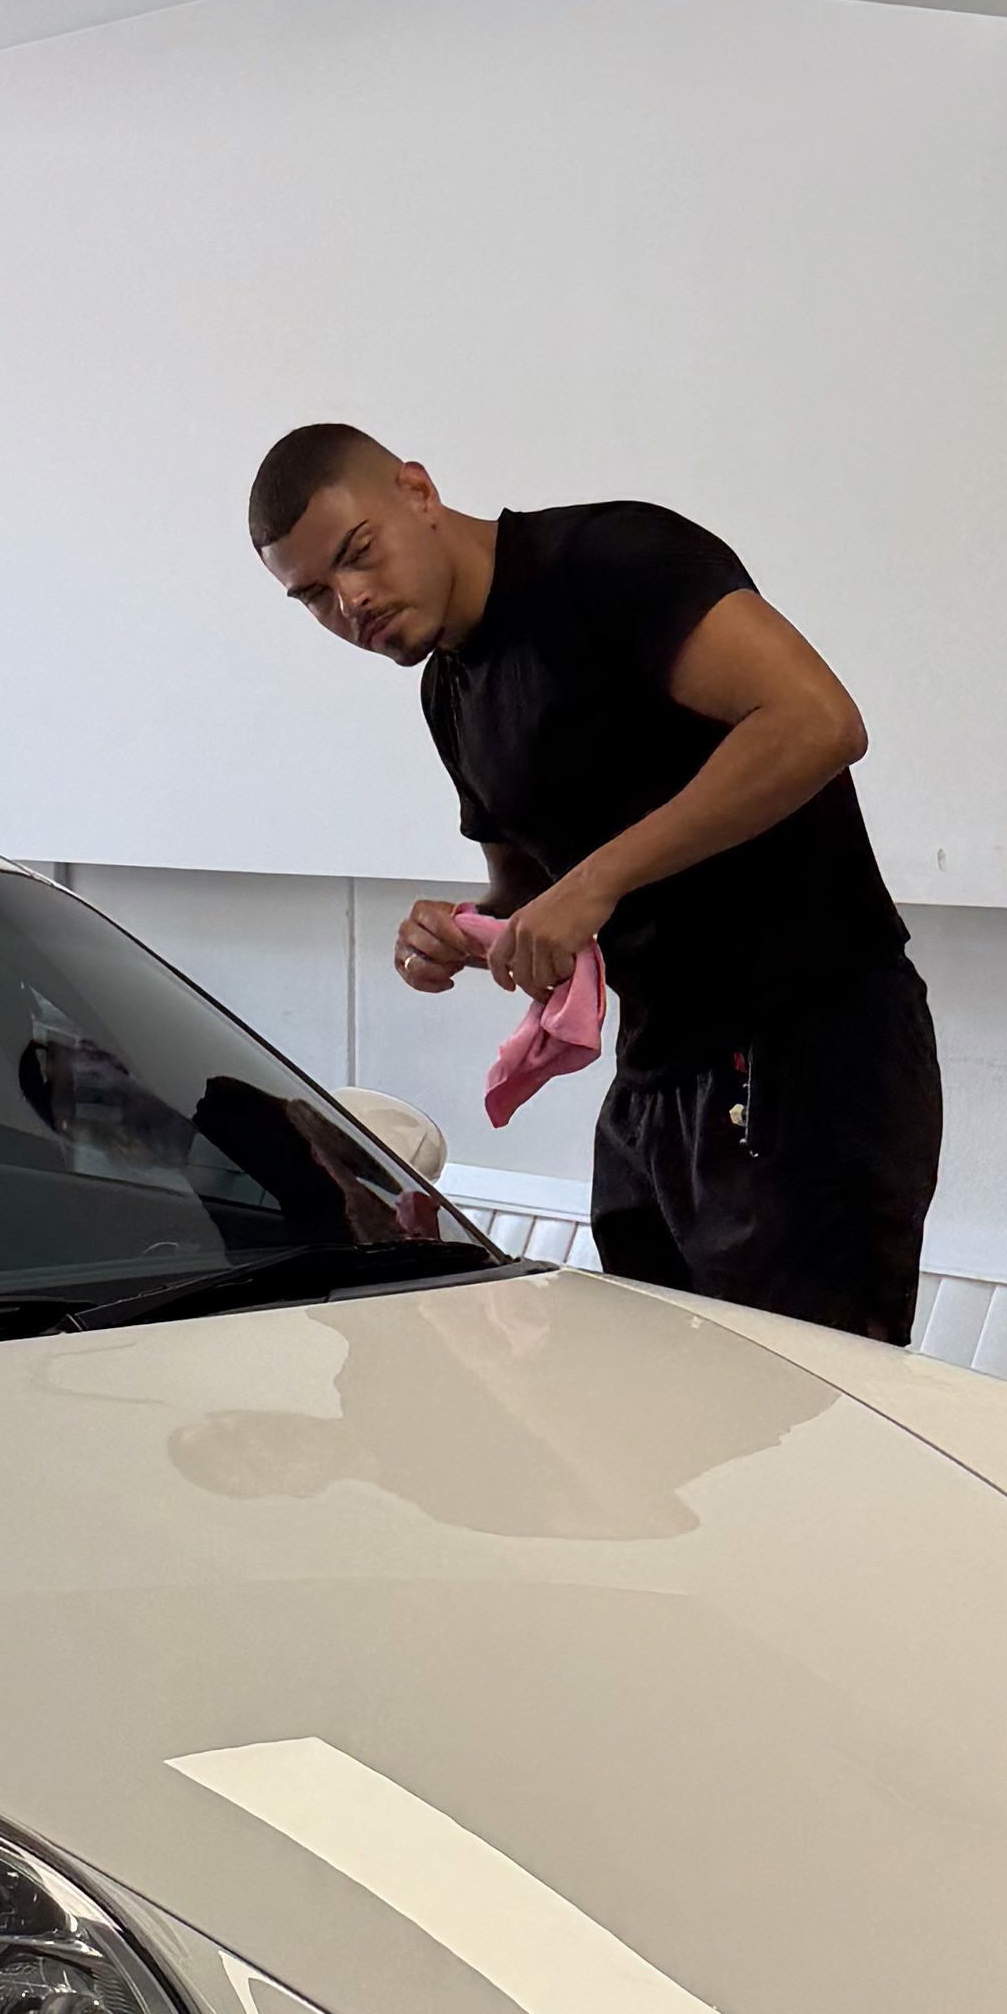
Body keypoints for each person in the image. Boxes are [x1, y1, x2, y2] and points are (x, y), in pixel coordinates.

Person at [247, 426, 940, 1341]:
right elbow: (533, 895)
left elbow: (817, 722)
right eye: (315, 598)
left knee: (804, 1440)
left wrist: (599, 881)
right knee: (654, 1431)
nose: (353, 602)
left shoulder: (612, 561)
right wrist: (464, 929)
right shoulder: (450, 691)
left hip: (808, 1050)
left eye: (357, 555)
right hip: (657, 1088)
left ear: (417, 490)